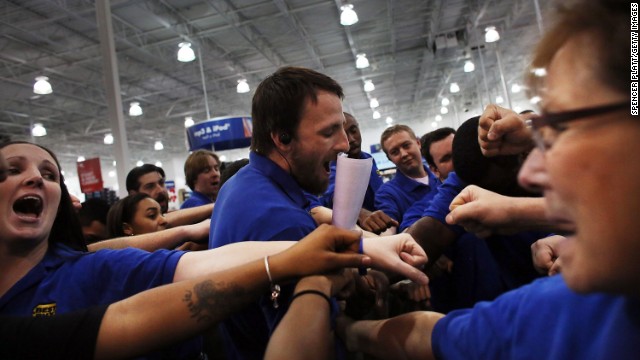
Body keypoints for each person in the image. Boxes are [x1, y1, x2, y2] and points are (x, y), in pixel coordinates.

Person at [338, 1, 639, 358]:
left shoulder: (568, 308)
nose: (533, 170)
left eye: (564, 129)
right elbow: (425, 246)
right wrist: (369, 287)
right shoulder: (565, 305)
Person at [0, 140, 428, 359]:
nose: (36, 179)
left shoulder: (91, 270)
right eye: (11, 170)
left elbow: (205, 263)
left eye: (49, 173)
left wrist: (358, 245)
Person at [209, 66, 410, 359]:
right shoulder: (282, 224)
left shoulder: (242, 185)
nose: (344, 144)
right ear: (283, 139)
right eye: (329, 132)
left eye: (343, 127)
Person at [365, 124, 440, 234]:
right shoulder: (387, 194)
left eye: (406, 145)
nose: (404, 154)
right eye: (395, 152)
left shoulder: (442, 177)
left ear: (418, 143)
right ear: (389, 158)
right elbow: (388, 231)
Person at [318, 112, 386, 232]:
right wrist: (360, 213)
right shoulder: (333, 165)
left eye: (353, 130)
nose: (351, 139)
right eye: (343, 134)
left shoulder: (369, 159)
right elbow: (333, 195)